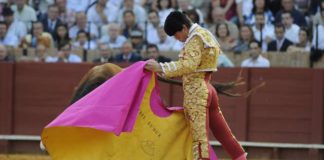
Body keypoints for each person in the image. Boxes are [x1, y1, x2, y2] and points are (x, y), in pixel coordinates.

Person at [144, 11, 247, 160]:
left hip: (196, 92)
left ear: (184, 28)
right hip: (208, 88)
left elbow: (188, 65)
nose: (177, 39)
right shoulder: (204, 34)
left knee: (199, 139)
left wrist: (161, 67)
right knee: (223, 133)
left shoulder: (194, 39)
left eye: (176, 34)